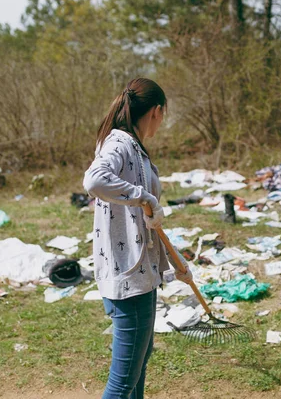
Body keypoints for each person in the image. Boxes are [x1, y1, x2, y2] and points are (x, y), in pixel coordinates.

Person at [83, 77, 193, 399]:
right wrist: (145, 196)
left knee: (138, 365)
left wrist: (176, 263)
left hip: (137, 272)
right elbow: (94, 180)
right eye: (164, 115)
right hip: (129, 277)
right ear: (157, 111)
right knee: (121, 383)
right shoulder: (120, 143)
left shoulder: (128, 145)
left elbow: (142, 222)